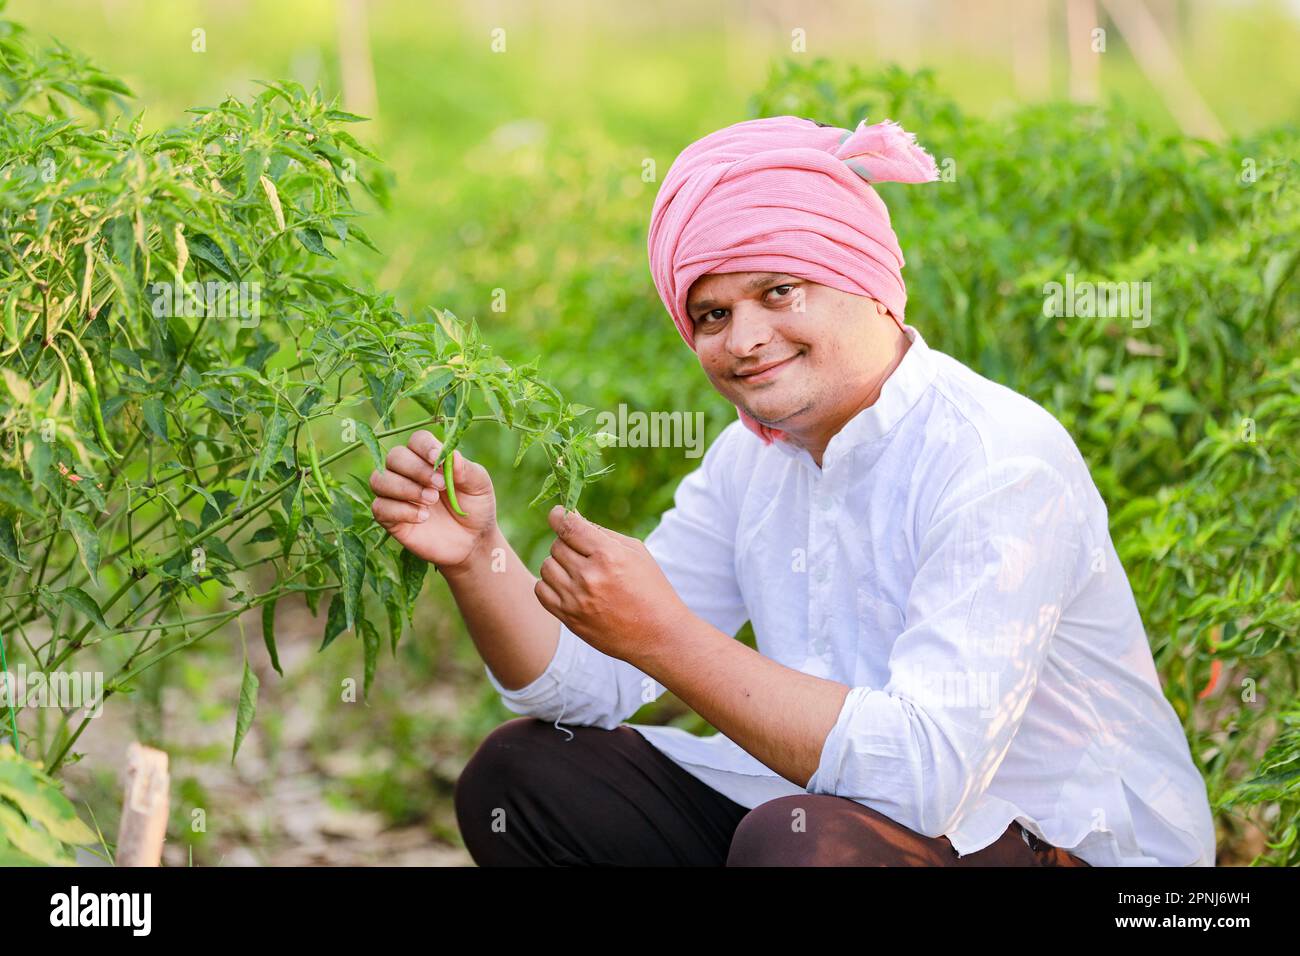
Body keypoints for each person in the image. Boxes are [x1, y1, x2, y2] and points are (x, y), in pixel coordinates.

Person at [369, 116, 1217, 867]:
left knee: (800, 845)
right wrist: (478, 559)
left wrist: (665, 639)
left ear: (867, 284)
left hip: (1063, 842)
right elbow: (584, 686)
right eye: (710, 315)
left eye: (779, 292)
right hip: (833, 818)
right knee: (524, 779)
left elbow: (927, 778)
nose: (744, 340)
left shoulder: (996, 457)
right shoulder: (755, 460)